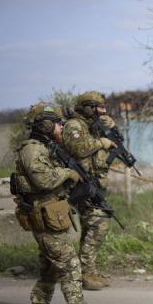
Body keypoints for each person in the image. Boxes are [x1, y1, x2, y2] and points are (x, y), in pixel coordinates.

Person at [11, 102, 114, 304]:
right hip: (43, 217)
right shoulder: (32, 150)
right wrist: (68, 173)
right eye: (57, 123)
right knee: (70, 265)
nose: (60, 127)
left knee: (50, 270)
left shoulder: (47, 147)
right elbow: (44, 181)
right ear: (45, 125)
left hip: (52, 215)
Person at [61, 90, 118, 290]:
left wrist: (109, 128)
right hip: (79, 184)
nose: (99, 111)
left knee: (89, 226)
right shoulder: (74, 125)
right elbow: (79, 149)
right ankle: (85, 272)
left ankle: (89, 271)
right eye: (95, 107)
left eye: (101, 107)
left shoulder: (91, 125)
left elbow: (114, 145)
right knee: (99, 223)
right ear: (85, 107)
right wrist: (101, 141)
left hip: (93, 183)